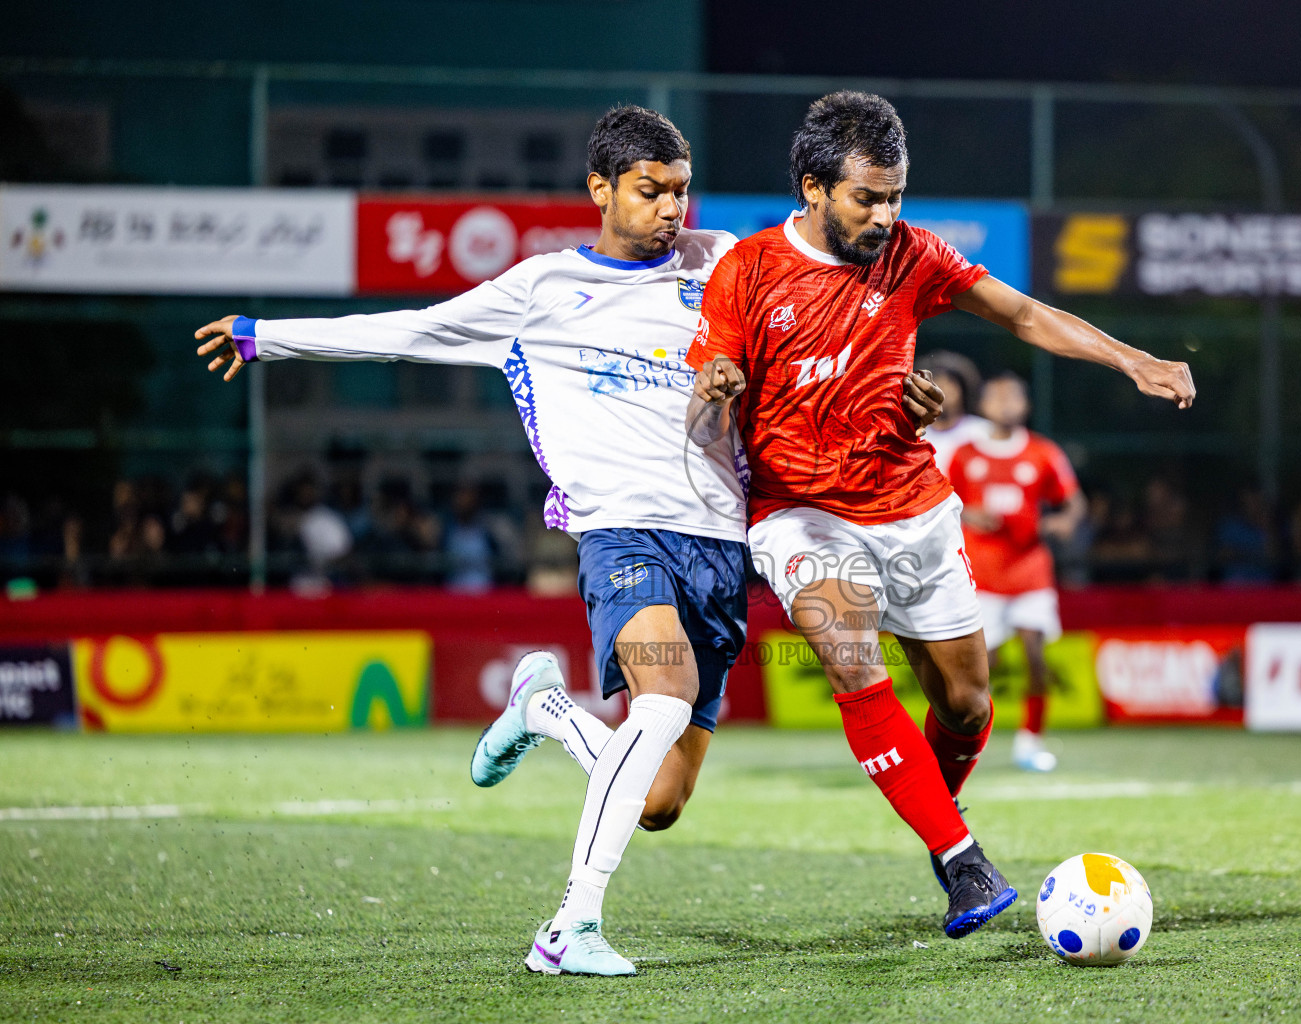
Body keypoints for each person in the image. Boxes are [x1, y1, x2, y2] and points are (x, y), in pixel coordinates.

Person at [195, 105, 941, 975]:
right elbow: (408, 334)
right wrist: (266, 338)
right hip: (617, 531)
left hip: (720, 542)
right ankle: (569, 929)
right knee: (660, 702)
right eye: (650, 191)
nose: (672, 209)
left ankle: (543, 710)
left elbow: (816, 342)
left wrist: (896, 391)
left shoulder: (726, 262)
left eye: (682, 191)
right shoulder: (539, 291)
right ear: (601, 189)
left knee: (659, 800)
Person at [687, 91, 1194, 938]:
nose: (886, 216)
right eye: (867, 198)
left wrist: (1131, 358)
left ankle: (934, 811)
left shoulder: (915, 256)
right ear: (813, 188)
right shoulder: (749, 271)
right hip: (798, 513)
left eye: (896, 197)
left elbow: (1023, 314)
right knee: (850, 656)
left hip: (910, 506)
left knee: (964, 706)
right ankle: (962, 862)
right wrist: (715, 390)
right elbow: (709, 393)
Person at [947, 371, 1085, 773]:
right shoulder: (966, 454)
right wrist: (968, 512)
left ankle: (1031, 741)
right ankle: (968, 742)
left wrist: (1065, 521)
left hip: (1029, 572)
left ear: (1025, 405)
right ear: (983, 406)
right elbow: (941, 499)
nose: (1006, 405)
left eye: (1014, 398)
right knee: (979, 668)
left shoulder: (1042, 453)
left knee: (1034, 655)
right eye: (997, 397)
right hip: (982, 575)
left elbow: (1073, 502)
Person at [915, 350, 989, 472]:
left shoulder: (984, 432)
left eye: (950, 384)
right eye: (935, 385)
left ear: (963, 390)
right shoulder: (910, 436)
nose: (943, 391)